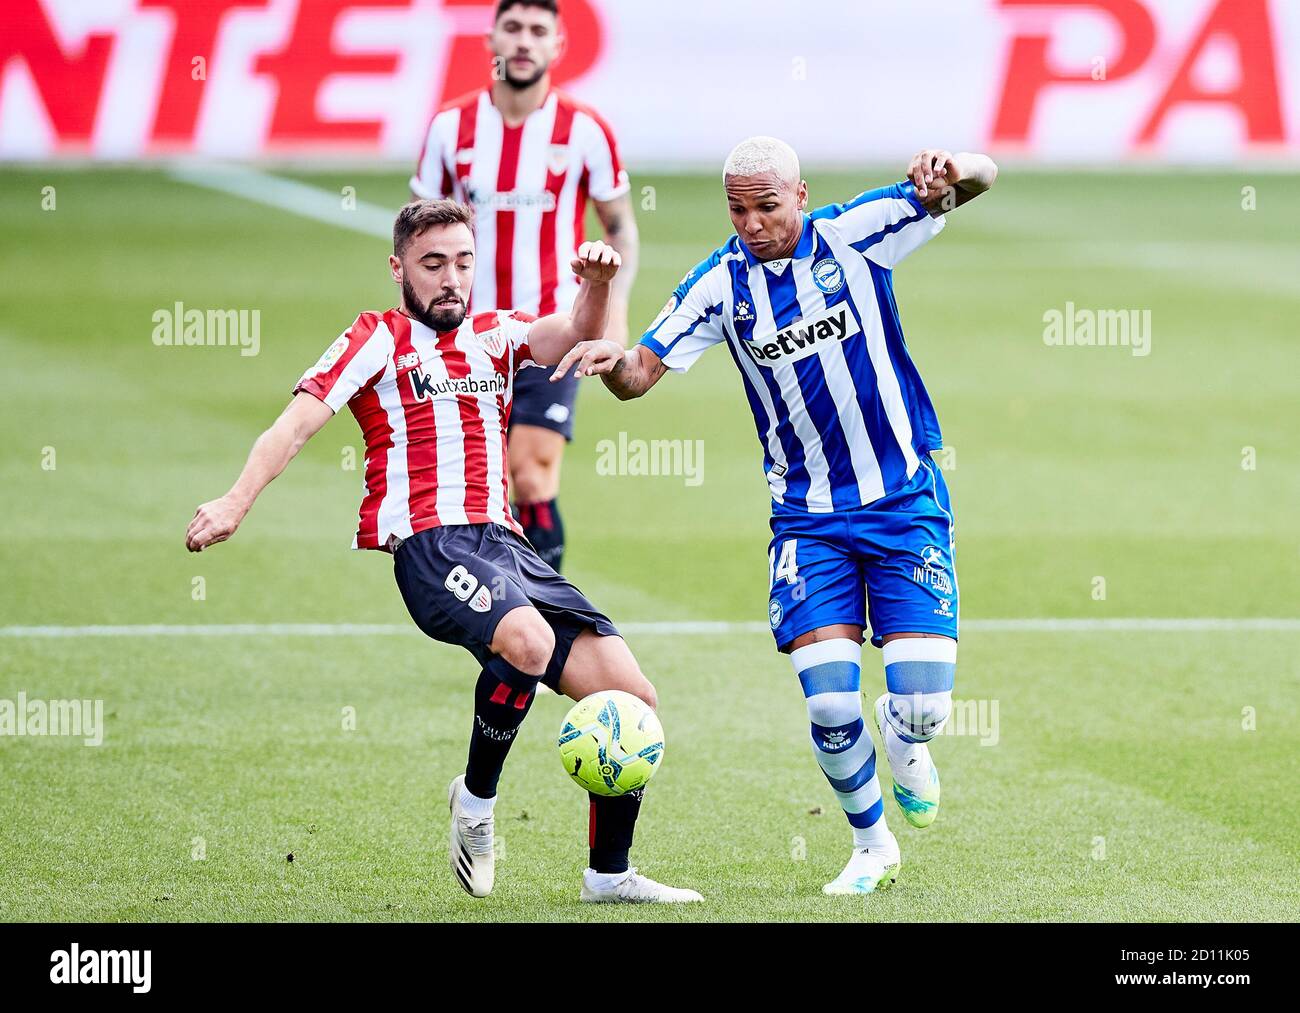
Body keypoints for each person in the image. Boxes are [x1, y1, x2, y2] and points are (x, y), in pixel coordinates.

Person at [185, 198, 700, 905]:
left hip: (505, 543)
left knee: (632, 696)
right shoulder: (378, 338)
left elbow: (569, 334)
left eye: (462, 262)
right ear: (399, 268)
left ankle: (609, 874)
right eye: (432, 264)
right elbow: (294, 425)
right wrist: (235, 500)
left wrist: (598, 282)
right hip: (430, 543)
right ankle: (477, 803)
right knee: (527, 638)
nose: (451, 277)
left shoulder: (496, 333)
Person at [569, 136, 998, 894]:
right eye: (737, 208)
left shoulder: (857, 232)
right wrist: (608, 350)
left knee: (924, 705)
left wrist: (954, 168)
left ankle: (907, 742)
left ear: (801, 195)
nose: (752, 223)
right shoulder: (719, 284)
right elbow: (638, 375)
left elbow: (981, 179)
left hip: (903, 501)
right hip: (806, 519)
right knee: (831, 698)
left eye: (767, 205)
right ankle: (871, 844)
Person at [411, 0, 639, 572]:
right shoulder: (450, 128)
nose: (523, 41)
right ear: (491, 39)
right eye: (512, 28)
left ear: (557, 46)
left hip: (551, 328)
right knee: (476, 490)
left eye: (538, 31)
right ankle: (502, 626)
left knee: (531, 476)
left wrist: (615, 314)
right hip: (466, 338)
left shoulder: (584, 131)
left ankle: (548, 624)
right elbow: (418, 234)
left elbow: (620, 229)